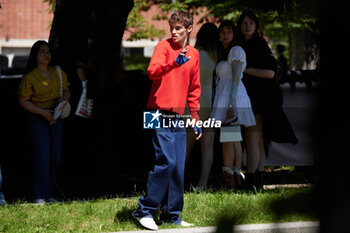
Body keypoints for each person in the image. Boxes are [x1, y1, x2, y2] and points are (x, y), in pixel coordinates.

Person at [132, 10, 201, 231]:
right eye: (172, 27)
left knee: (178, 165)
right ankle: (145, 211)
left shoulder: (195, 55)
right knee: (166, 161)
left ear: (189, 29)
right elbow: (152, 72)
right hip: (155, 111)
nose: (174, 31)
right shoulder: (163, 47)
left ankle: (172, 215)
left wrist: (195, 118)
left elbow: (194, 90)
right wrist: (173, 63)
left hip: (178, 115)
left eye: (179, 28)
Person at [236, 11, 297, 190]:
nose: (247, 26)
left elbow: (270, 73)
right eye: (244, 23)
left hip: (259, 97)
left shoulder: (259, 44)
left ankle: (252, 179)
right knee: (256, 139)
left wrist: (245, 70)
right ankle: (257, 180)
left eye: (251, 23)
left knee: (252, 137)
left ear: (256, 27)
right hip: (249, 96)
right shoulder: (241, 44)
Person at [17, 40, 70, 203]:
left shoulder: (58, 72)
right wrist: (42, 112)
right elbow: (23, 101)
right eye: (42, 51)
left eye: (48, 51)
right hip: (38, 117)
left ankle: (49, 194)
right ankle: (40, 195)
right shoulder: (30, 77)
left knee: (55, 156)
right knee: (42, 156)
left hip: (55, 116)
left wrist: (63, 102)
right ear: (35, 55)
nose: (46, 55)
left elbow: (66, 91)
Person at [186, 22, 221, 190]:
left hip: (195, 102)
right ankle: (203, 184)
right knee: (208, 146)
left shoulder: (196, 54)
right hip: (213, 105)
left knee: (187, 145)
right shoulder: (218, 56)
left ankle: (177, 181)